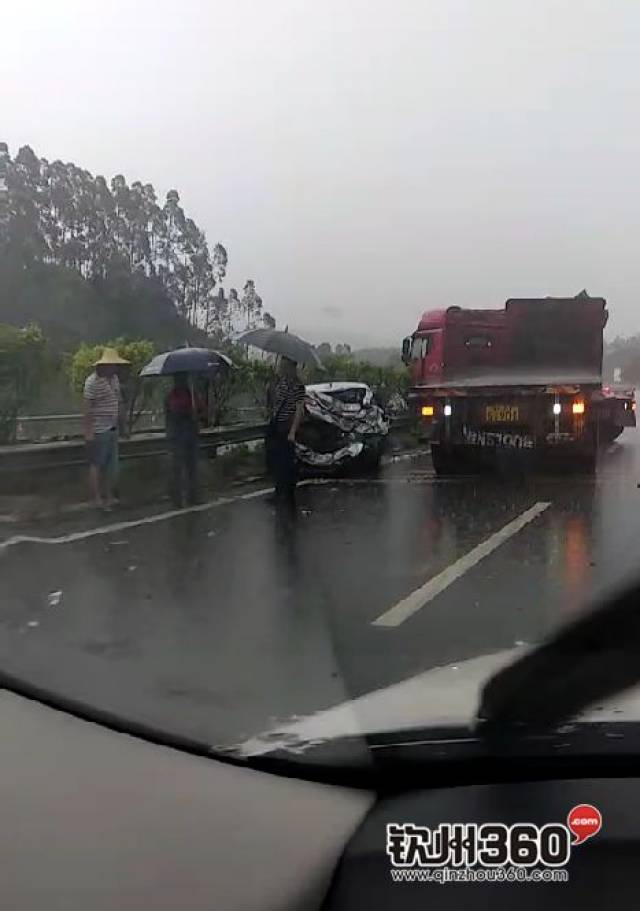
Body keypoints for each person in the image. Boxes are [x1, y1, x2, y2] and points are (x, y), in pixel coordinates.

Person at [83, 347, 129, 510]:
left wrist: (123, 425)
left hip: (113, 429)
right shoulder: (92, 382)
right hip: (99, 430)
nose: (114, 368)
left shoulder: (114, 379)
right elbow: (87, 409)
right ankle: (97, 498)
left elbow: (119, 401)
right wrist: (88, 433)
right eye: (112, 365)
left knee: (112, 466)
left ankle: (109, 496)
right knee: (97, 465)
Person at [266, 357, 305, 513]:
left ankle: (288, 494)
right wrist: (269, 389)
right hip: (278, 425)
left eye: (284, 365)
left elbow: (299, 410)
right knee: (276, 461)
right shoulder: (281, 383)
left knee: (288, 463)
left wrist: (293, 432)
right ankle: (278, 492)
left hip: (288, 427)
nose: (282, 367)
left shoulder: (298, 386)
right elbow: (274, 403)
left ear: (291, 366)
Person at [165, 373, 205, 508]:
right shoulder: (172, 395)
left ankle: (193, 496)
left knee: (192, 467)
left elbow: (201, 409)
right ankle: (177, 499)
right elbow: (173, 411)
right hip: (178, 436)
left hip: (191, 434)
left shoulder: (192, 393)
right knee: (178, 468)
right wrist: (188, 411)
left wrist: (197, 407)